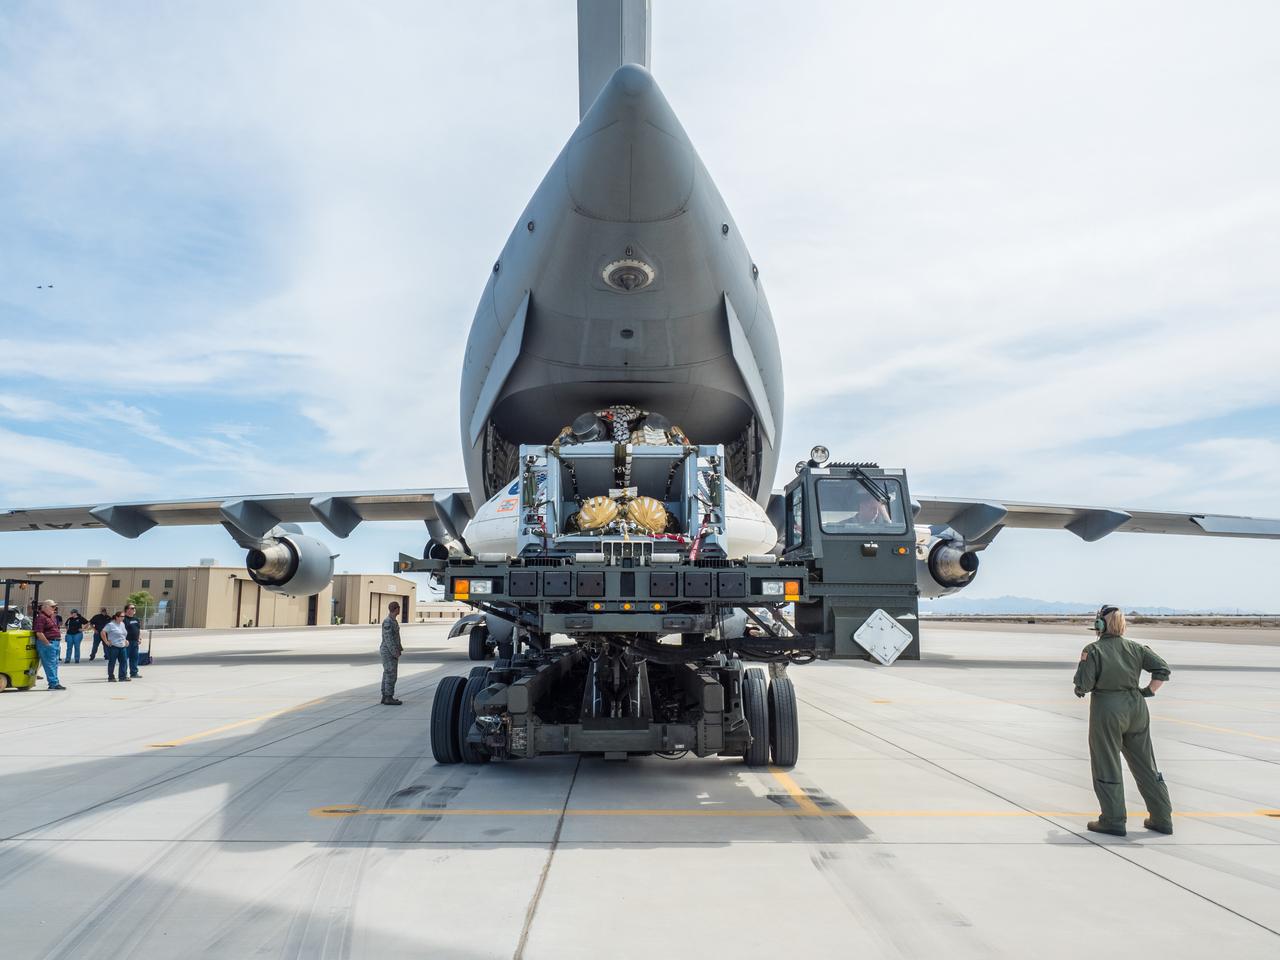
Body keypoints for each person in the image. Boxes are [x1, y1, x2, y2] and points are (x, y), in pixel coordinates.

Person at [1073, 605, 1174, 836]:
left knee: (1107, 763)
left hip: (1108, 711)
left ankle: (1113, 820)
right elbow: (1163, 670)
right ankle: (1162, 818)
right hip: (1137, 708)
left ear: (1100, 624)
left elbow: (1084, 685)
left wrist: (1080, 680)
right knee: (1146, 765)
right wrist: (1148, 691)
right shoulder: (1137, 648)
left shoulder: (1093, 649)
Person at [33, 599, 66, 691]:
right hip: (47, 643)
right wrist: (47, 644)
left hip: (55, 642)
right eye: (52, 606)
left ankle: (55, 682)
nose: (54, 608)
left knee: (54, 664)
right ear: (45, 607)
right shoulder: (41, 617)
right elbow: (39, 632)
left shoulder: (52, 617)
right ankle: (53, 684)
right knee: (50, 664)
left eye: (55, 607)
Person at [380, 601, 404, 705]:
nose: (400, 610)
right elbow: (388, 639)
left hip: (391, 651)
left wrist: (400, 648)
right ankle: (388, 697)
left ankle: (385, 696)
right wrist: (395, 652)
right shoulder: (388, 622)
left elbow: (395, 638)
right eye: (399, 608)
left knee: (388, 673)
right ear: (396, 609)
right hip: (388, 652)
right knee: (391, 674)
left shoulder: (393, 621)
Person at [102, 611, 130, 682]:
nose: (123, 618)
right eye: (121, 616)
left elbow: (123, 634)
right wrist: (106, 641)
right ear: (117, 617)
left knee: (124, 662)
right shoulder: (111, 625)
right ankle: (111, 677)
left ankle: (122, 677)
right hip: (114, 646)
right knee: (112, 662)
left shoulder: (122, 624)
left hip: (122, 646)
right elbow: (102, 632)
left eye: (124, 616)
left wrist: (126, 640)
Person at [122, 603, 142, 678]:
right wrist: (124, 640)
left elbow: (138, 630)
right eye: (132, 608)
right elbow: (120, 631)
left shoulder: (136, 619)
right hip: (127, 642)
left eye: (134, 608)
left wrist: (139, 638)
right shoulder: (124, 619)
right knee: (124, 658)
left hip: (135, 642)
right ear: (127, 610)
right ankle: (123, 674)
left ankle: (134, 673)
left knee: (135, 658)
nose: (134, 609)